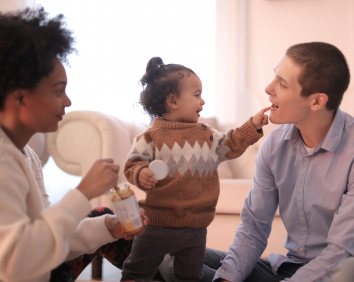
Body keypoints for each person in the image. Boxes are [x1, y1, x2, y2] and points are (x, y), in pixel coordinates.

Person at [180, 41, 353, 282]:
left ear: (316, 102)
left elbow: (341, 251)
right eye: (275, 77)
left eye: (282, 84)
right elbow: (253, 227)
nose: (268, 88)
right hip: (285, 268)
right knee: (173, 257)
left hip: (336, 270)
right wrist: (226, 279)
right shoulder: (274, 145)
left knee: (345, 272)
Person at [0, 7, 147, 282]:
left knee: (105, 217)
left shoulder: (26, 154)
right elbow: (15, 263)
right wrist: (83, 192)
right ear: (20, 97)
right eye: (58, 90)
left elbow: (44, 239)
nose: (67, 102)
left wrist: (109, 228)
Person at [121, 56, 270, 282]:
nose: (202, 102)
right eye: (197, 95)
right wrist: (141, 173)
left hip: (195, 228)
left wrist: (253, 126)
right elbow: (133, 163)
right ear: (173, 101)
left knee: (190, 276)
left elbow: (231, 144)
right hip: (156, 225)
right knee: (137, 272)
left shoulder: (206, 134)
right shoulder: (150, 137)